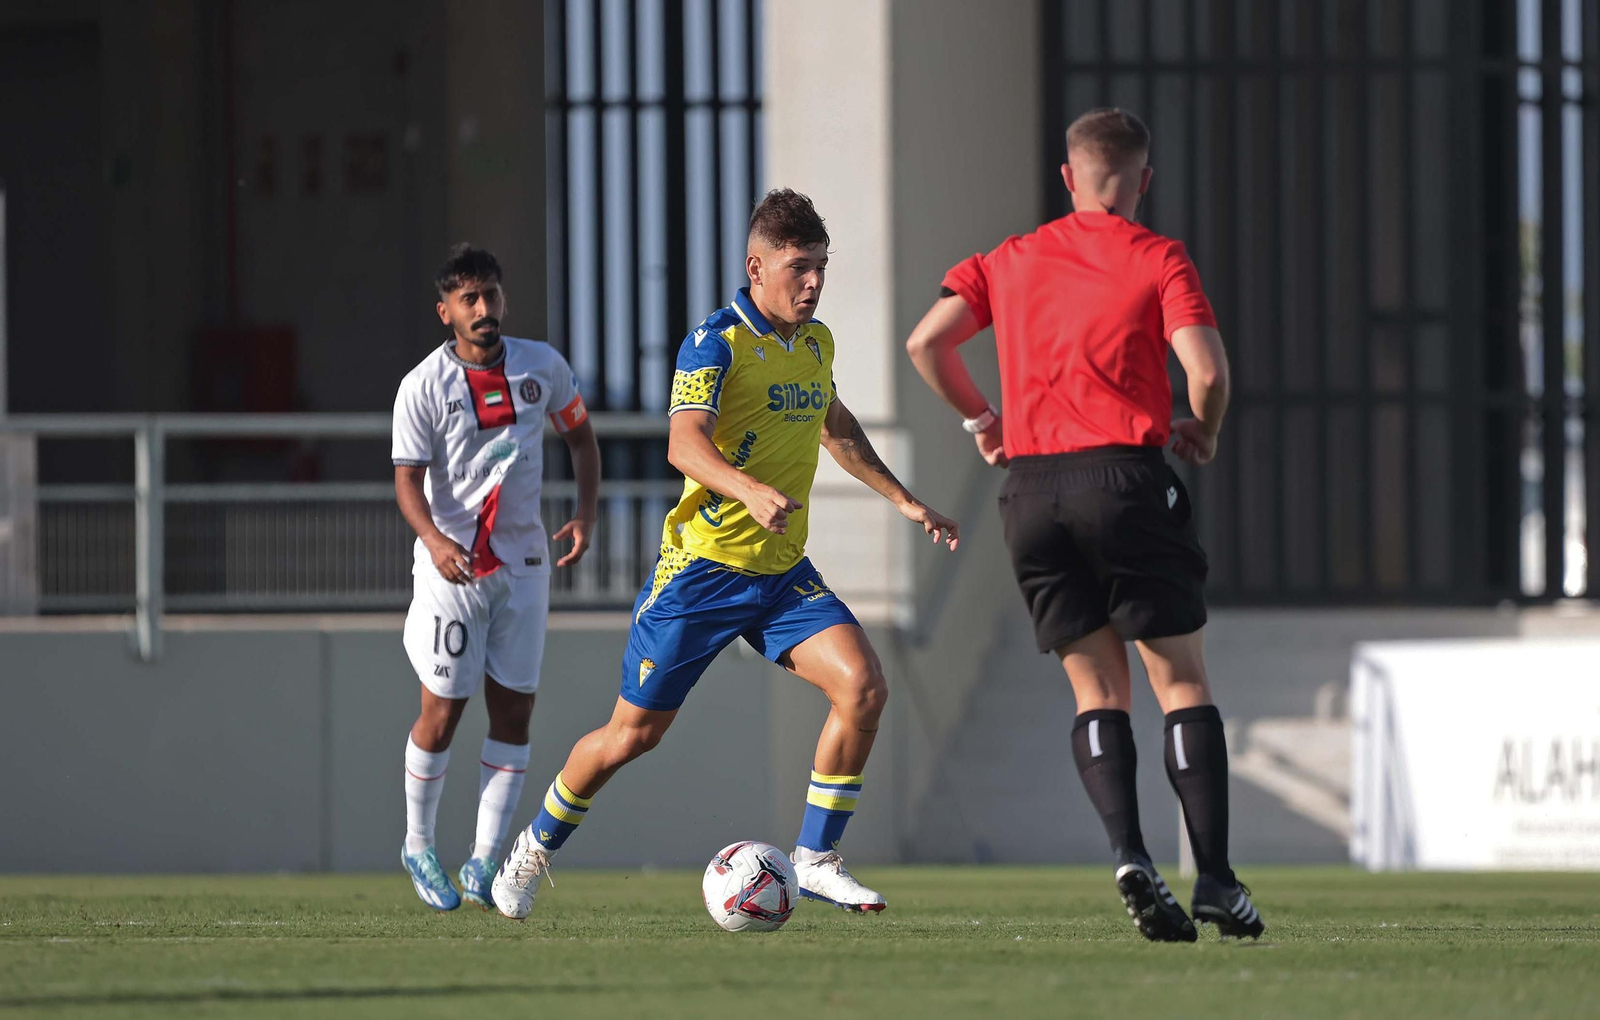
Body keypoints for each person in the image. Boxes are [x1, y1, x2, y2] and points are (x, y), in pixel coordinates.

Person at [492, 189, 959, 919]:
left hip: (781, 574)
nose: (814, 283)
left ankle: (817, 859)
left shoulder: (816, 343)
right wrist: (748, 490)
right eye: (799, 267)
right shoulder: (715, 342)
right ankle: (532, 850)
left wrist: (905, 501)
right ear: (756, 267)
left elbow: (835, 426)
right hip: (702, 573)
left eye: (822, 267)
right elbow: (684, 443)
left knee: (864, 687)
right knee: (631, 736)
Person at [903, 108, 1263, 941]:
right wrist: (1205, 432)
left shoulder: (1009, 258)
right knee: (1181, 684)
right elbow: (1207, 373)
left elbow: (927, 344)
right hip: (1124, 479)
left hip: (1032, 495)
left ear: (1067, 177)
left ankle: (1130, 854)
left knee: (1097, 691)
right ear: (1144, 179)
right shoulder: (1158, 257)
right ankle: (1214, 878)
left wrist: (982, 419)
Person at [390, 244, 601, 911]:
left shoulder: (542, 366)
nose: (483, 309)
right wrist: (434, 540)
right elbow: (406, 481)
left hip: (526, 564)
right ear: (445, 311)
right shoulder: (423, 386)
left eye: (491, 295)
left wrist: (586, 513)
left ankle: (484, 861)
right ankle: (418, 844)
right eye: (469, 299)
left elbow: (581, 438)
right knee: (443, 710)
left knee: (514, 710)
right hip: (453, 569)